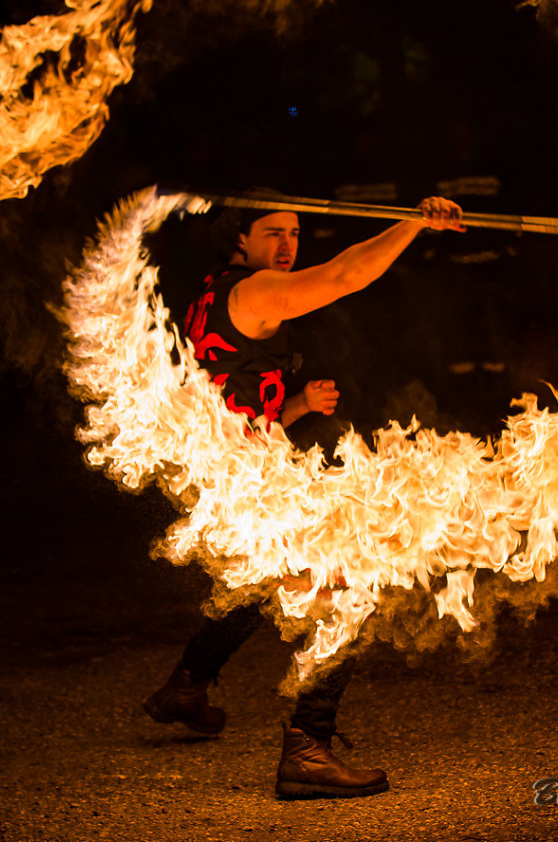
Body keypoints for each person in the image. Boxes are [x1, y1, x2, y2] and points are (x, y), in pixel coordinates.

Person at [144, 191, 464, 798]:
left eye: (294, 233)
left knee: (263, 585)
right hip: (242, 485)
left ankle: (188, 684)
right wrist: (414, 223)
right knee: (351, 582)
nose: (287, 246)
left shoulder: (215, 296)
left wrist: (294, 406)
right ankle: (308, 750)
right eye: (272, 234)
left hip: (236, 477)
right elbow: (347, 274)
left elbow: (229, 405)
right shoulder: (255, 291)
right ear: (240, 240)